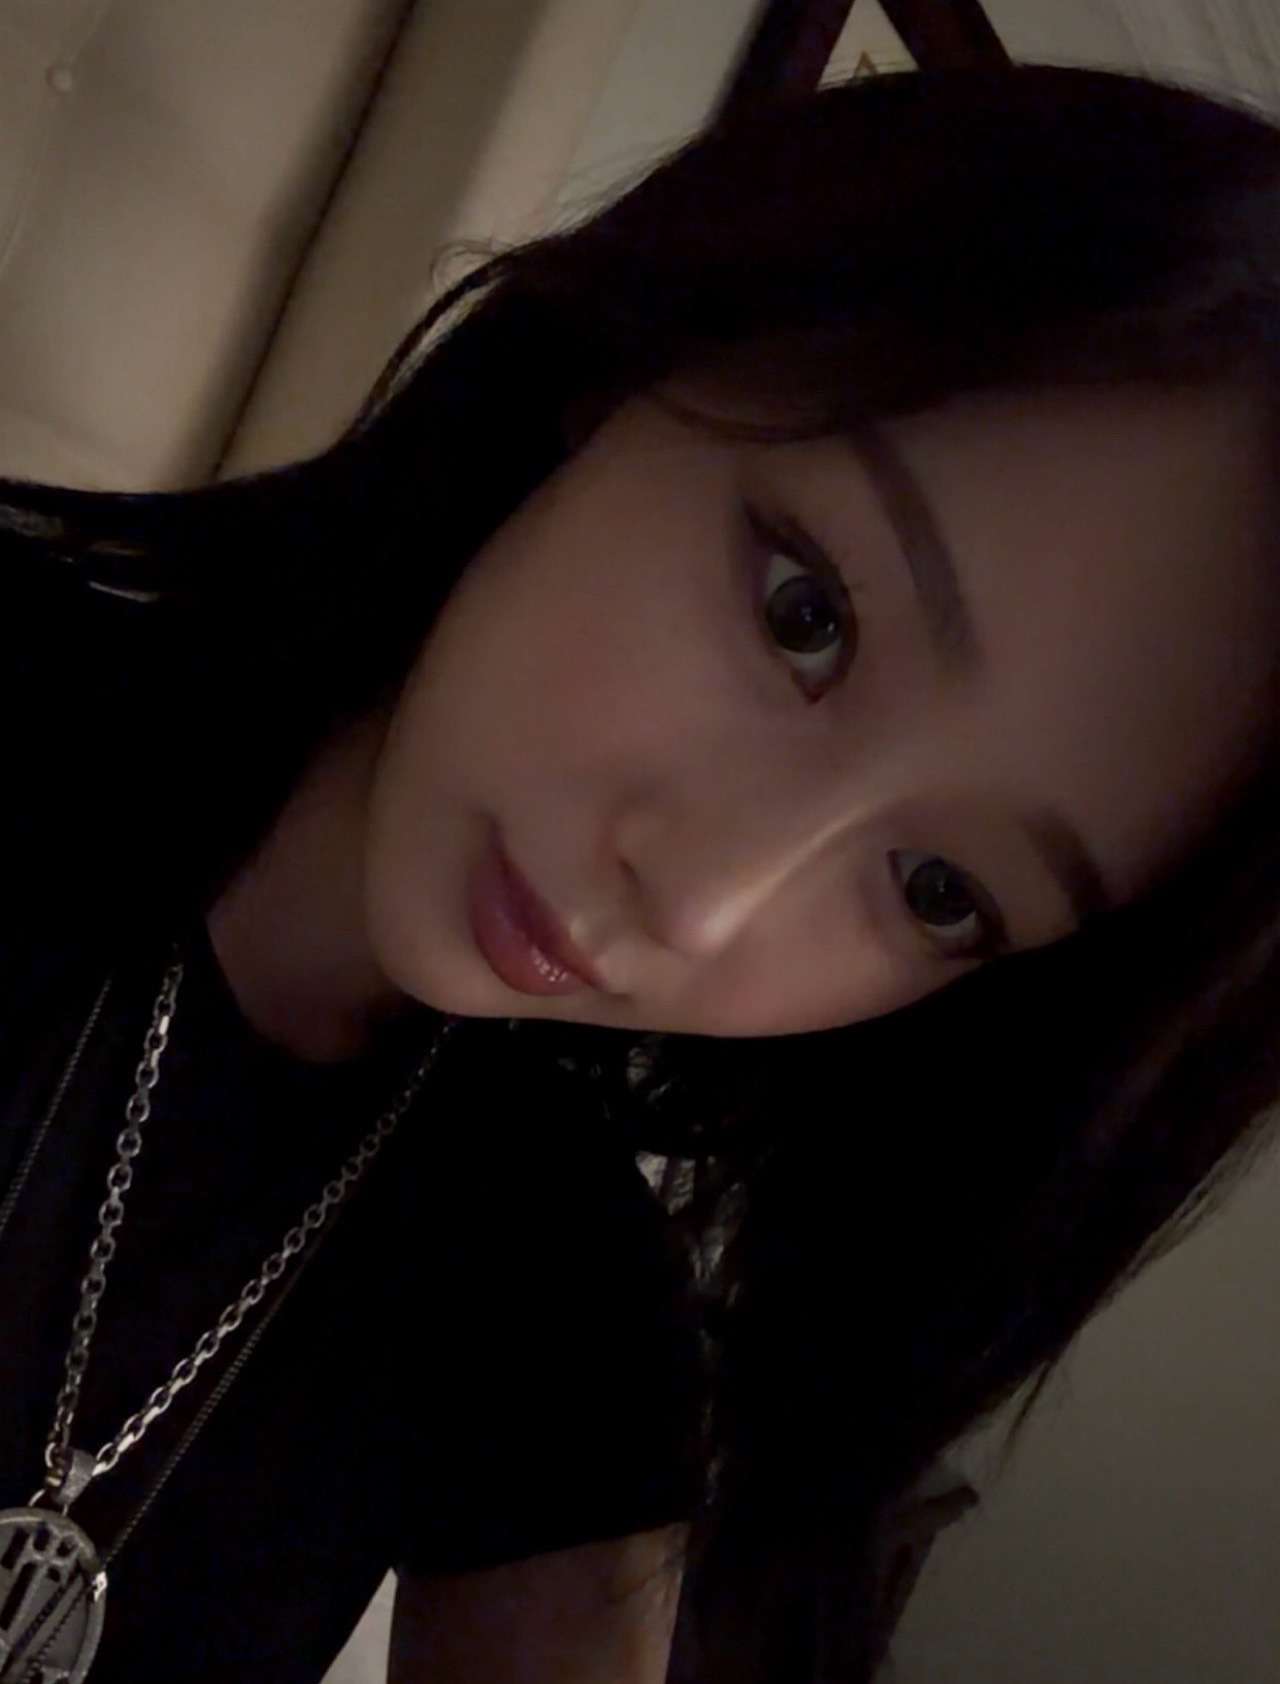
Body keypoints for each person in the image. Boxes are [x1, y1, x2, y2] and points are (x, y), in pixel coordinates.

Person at [4, 58, 1280, 1684]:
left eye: (938, 892)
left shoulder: (557, 1318)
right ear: (640, 360)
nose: (702, 903)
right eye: (806, 617)